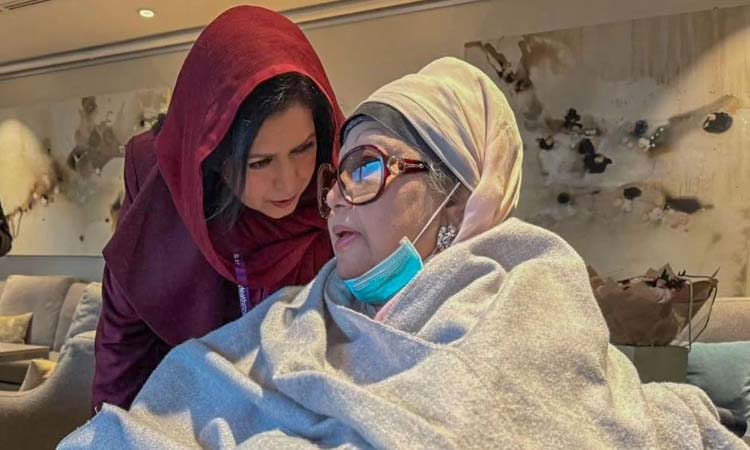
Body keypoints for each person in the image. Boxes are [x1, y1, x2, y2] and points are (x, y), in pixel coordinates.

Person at [63, 58, 745, 449]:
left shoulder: (528, 302)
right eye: (339, 177)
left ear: (457, 196)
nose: (330, 198)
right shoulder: (293, 317)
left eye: (364, 168)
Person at [91, 6, 344, 413]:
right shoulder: (161, 198)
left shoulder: (341, 194)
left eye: (303, 149)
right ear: (211, 158)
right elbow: (122, 356)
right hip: (186, 419)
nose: (290, 182)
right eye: (260, 162)